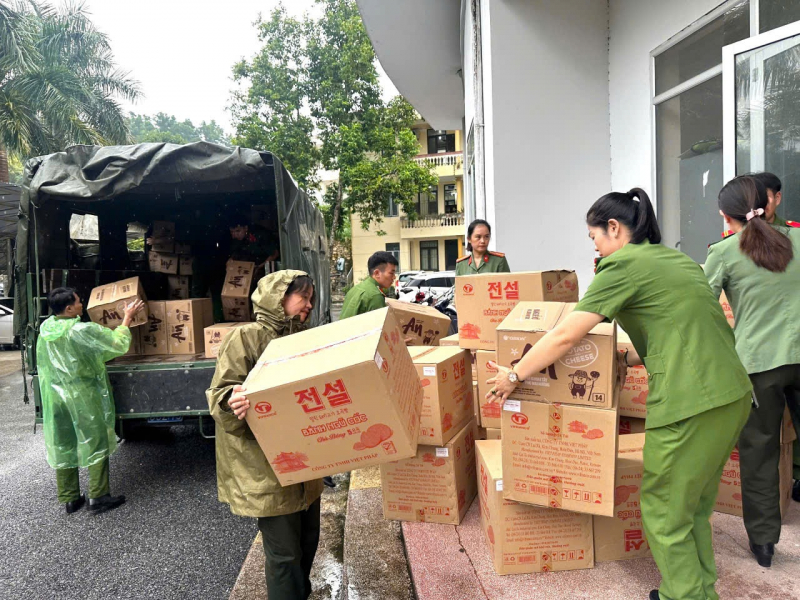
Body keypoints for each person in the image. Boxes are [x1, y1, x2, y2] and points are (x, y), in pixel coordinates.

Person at [486, 188, 752, 600]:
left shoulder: (622, 265)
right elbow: (681, 327)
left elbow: (564, 335)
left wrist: (515, 374)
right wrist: (626, 360)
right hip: (731, 394)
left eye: (594, 237)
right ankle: (697, 591)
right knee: (693, 506)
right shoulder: (677, 260)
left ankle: (685, 596)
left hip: (690, 402)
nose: (595, 247)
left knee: (663, 510)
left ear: (613, 228)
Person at [206, 270, 322, 600]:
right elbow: (220, 393)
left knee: (307, 542)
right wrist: (233, 400)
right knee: (284, 554)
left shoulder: (302, 337)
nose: (308, 305)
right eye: (304, 298)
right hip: (268, 466)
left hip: (305, 461)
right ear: (280, 299)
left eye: (310, 298)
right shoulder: (247, 337)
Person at [705, 175, 800, 567]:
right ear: (768, 203)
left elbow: (701, 307)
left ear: (726, 216)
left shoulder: (724, 252)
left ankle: (763, 543)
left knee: (759, 452)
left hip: (759, 366)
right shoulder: (796, 240)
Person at [37, 287, 144, 514]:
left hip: (55, 396)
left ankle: (70, 498)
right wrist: (127, 317)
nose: (81, 304)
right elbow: (115, 344)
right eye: (78, 301)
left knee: (63, 443)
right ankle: (98, 496)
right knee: (95, 442)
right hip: (81, 395)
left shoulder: (45, 329)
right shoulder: (81, 330)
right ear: (68, 308)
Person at [339, 251, 398, 320]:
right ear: (377, 273)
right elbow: (380, 327)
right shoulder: (375, 295)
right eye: (391, 273)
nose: (394, 277)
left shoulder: (356, 289)